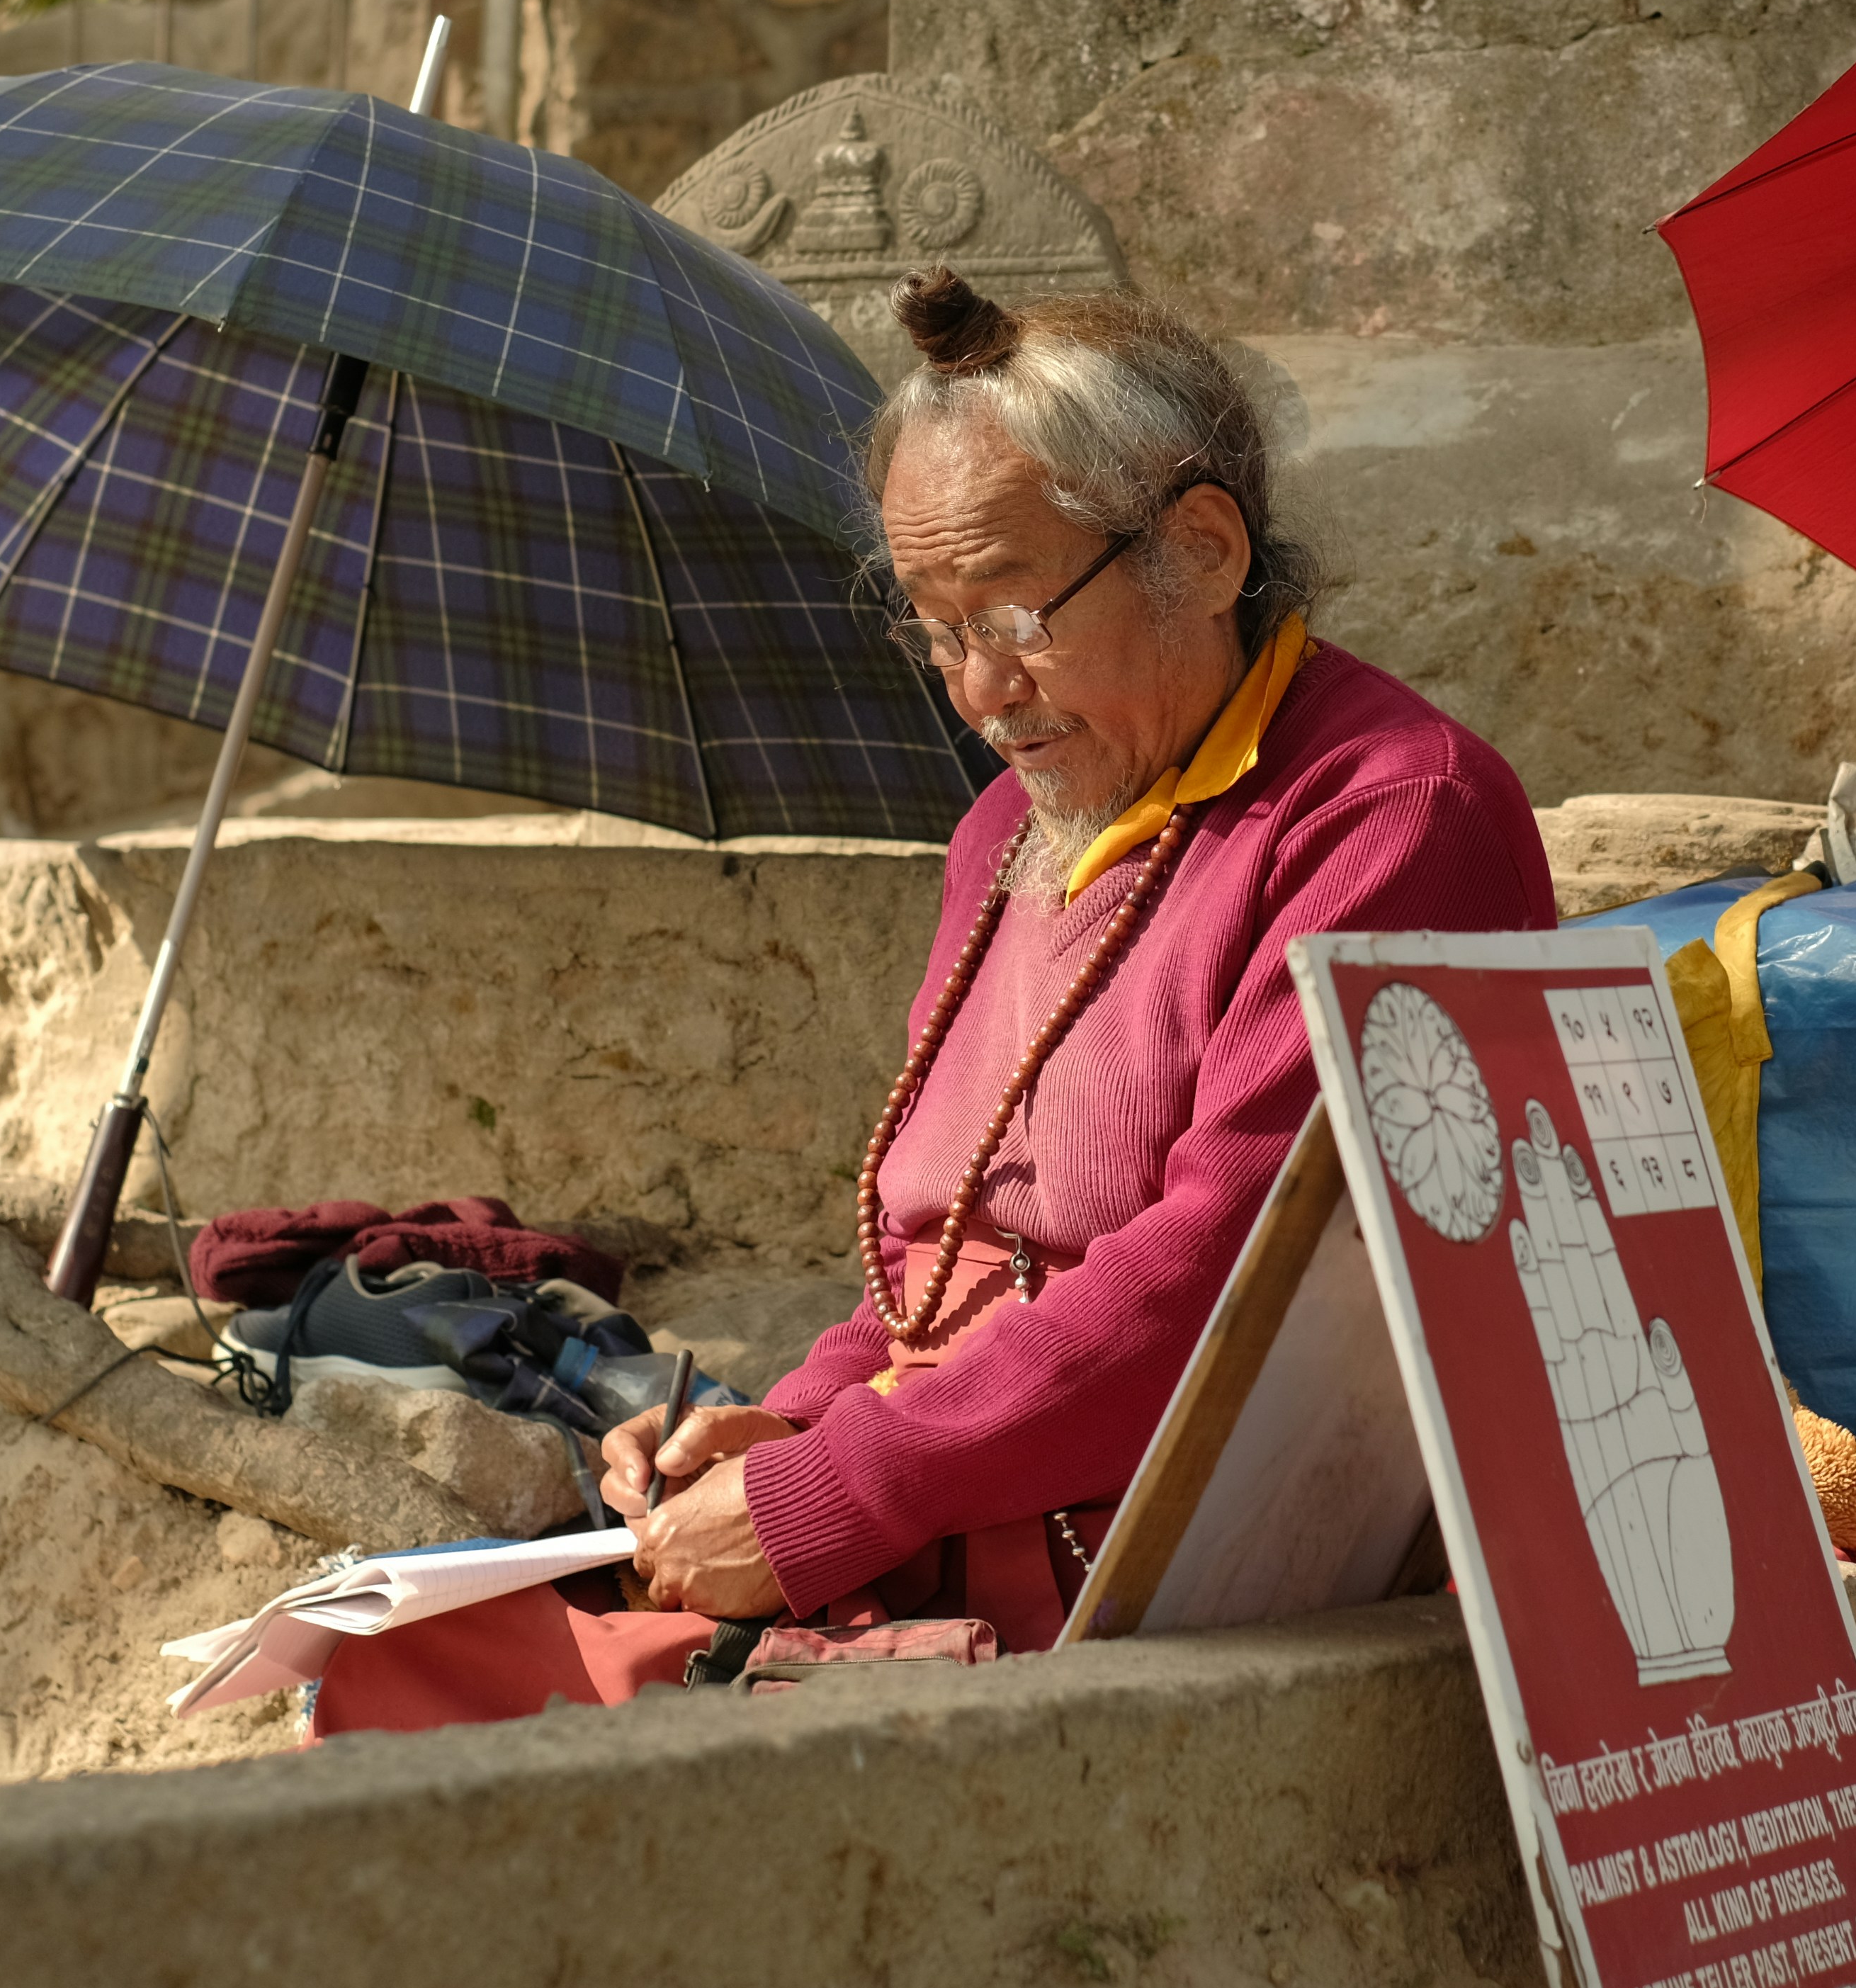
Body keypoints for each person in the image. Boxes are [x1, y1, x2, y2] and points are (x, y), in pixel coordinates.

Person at [302, 266, 1554, 1732]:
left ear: (1203, 552)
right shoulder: (1006, 838)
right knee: (386, 1654)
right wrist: (791, 1421)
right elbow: (930, 1260)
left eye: (1015, 612)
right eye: (934, 627)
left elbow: (1226, 1282)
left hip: (1160, 1562)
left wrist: (836, 1488)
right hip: (952, 1509)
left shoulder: (1391, 817)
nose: (976, 689)